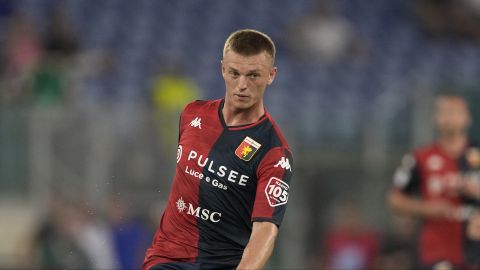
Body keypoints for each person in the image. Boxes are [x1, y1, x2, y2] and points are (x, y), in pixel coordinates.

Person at [142, 29, 293, 270]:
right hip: (167, 258)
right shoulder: (191, 114)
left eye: (253, 75)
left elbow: (266, 230)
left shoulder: (275, 153)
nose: (242, 85)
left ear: (271, 75)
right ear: (223, 69)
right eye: (234, 73)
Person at [388, 94, 480, 270]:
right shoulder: (420, 157)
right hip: (437, 250)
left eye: (455, 112)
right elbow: (395, 199)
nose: (450, 118)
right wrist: (427, 208)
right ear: (435, 118)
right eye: (444, 112)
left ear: (467, 117)